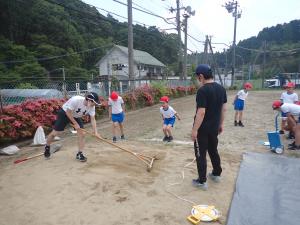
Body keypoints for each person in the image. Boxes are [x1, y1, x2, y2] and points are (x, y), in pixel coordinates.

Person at [191, 64, 227, 190]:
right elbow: (224, 109)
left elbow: (201, 112)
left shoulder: (203, 90)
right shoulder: (221, 89)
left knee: (201, 154)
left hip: (203, 129)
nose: (197, 80)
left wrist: (195, 130)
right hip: (214, 128)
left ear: (201, 76)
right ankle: (216, 174)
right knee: (213, 150)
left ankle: (202, 181)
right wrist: (221, 124)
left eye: (197, 77)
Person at [44, 92, 101, 162]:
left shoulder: (92, 106)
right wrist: (75, 123)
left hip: (75, 116)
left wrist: (95, 132)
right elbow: (68, 112)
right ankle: (47, 147)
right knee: (55, 133)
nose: (95, 105)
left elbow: (93, 119)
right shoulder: (76, 100)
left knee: (82, 134)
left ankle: (80, 154)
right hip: (64, 113)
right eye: (94, 103)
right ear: (89, 100)